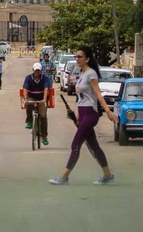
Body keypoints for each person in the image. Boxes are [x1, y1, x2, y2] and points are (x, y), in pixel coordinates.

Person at [50, 46, 118, 186]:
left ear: (87, 59)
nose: (77, 59)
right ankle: (107, 174)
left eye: (80, 56)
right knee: (94, 146)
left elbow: (98, 94)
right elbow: (81, 97)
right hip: (83, 113)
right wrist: (78, 114)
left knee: (76, 143)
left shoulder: (91, 74)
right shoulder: (82, 74)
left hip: (91, 113)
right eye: (76, 56)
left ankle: (64, 176)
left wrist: (108, 111)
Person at [22, 62, 51, 146]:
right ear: (33, 70)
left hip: (41, 99)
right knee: (29, 103)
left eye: (38, 70)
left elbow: (46, 89)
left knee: (43, 116)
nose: (37, 72)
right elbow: (25, 88)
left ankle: (44, 137)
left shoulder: (45, 78)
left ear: (41, 71)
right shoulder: (28, 78)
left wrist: (44, 99)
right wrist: (25, 99)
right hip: (32, 97)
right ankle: (29, 121)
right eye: (36, 70)